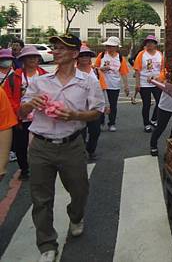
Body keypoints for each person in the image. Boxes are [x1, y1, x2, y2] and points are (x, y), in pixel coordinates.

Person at [20, 34, 104, 262]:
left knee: (80, 190)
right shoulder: (40, 81)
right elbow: (20, 113)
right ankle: (47, 244)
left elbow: (97, 111)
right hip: (40, 146)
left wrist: (75, 115)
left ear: (75, 54)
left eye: (61, 48)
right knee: (41, 198)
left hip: (72, 144)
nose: (55, 51)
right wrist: (30, 104)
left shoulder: (88, 81)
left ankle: (76, 216)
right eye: (54, 47)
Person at [4, 46, 47, 180]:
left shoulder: (45, 75)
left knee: (42, 145)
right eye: (29, 57)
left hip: (41, 117)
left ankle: (42, 168)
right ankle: (24, 169)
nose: (33, 59)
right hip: (21, 118)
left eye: (35, 56)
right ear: (23, 59)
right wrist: (20, 111)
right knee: (21, 146)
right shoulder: (15, 76)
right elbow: (7, 97)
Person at [150, 46, 172, 157]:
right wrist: (154, 79)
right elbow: (160, 78)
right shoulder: (170, 70)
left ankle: (171, 146)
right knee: (160, 127)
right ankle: (153, 145)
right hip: (165, 105)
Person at [95, 36, 130, 131]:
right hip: (101, 85)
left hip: (114, 85)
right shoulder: (101, 55)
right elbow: (94, 69)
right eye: (108, 46)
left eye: (111, 46)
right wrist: (101, 69)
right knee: (101, 104)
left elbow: (124, 73)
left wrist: (126, 86)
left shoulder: (120, 58)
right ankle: (100, 122)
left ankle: (112, 123)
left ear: (117, 47)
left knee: (113, 105)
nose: (109, 48)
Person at [76, 45, 104, 161]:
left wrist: (105, 105)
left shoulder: (95, 71)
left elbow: (102, 88)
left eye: (87, 55)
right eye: (81, 55)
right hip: (79, 108)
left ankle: (91, 150)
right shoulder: (72, 71)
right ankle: (81, 153)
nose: (84, 58)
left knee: (95, 132)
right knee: (80, 133)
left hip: (94, 108)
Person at [133, 35, 163, 132]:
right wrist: (137, 84)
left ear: (155, 44)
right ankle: (146, 124)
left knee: (160, 102)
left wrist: (160, 79)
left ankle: (154, 119)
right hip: (144, 82)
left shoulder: (159, 54)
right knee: (147, 104)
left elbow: (162, 69)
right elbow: (137, 70)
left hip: (157, 82)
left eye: (152, 42)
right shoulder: (142, 54)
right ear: (145, 44)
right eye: (148, 42)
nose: (149, 44)